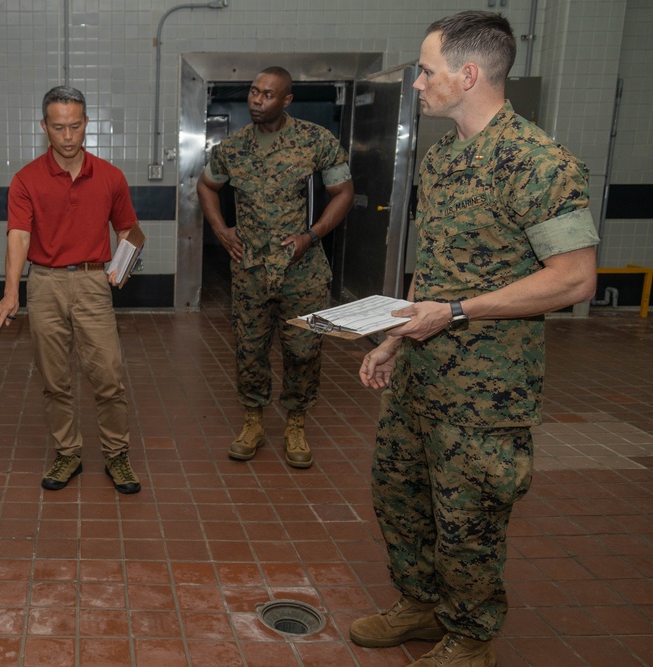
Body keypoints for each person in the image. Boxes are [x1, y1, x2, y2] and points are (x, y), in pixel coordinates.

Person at [349, 11, 599, 667]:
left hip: (485, 391)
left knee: (468, 518)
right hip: (419, 374)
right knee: (399, 494)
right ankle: (421, 604)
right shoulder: (441, 159)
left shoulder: (540, 163)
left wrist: (457, 311)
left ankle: (471, 635)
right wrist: (394, 337)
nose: (418, 83)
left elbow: (574, 280)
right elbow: (432, 269)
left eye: (426, 70)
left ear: (468, 74)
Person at [0, 86, 141, 495]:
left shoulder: (110, 177)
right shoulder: (26, 180)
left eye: (75, 126)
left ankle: (117, 455)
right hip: (46, 283)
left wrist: (123, 266)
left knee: (108, 374)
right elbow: (18, 237)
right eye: (58, 127)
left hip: (92, 282)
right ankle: (67, 452)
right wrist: (11, 292)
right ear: (44, 127)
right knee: (55, 379)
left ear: (86, 123)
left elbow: (128, 228)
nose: (68, 136)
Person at [197, 66, 354, 469]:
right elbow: (206, 186)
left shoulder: (315, 141)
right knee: (250, 351)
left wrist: (313, 235)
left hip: (301, 271)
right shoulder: (232, 148)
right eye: (252, 92)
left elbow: (343, 193)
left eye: (267, 95)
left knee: (303, 349)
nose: (256, 100)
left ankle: (296, 423)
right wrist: (220, 229)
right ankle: (253, 423)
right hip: (249, 271)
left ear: (286, 100)